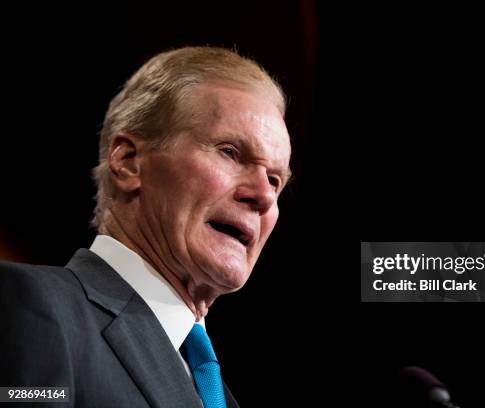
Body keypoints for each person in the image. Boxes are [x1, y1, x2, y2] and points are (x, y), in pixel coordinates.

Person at [0, 46, 292, 407]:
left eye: (276, 180)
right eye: (230, 152)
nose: (264, 195)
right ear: (129, 162)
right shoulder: (32, 306)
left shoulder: (217, 395)